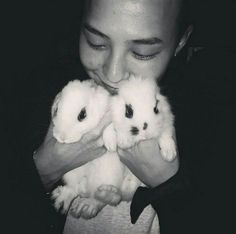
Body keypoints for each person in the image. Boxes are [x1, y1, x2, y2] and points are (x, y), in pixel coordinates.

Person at [7, 0, 235, 233]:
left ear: (180, 42)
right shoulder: (42, 89)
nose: (113, 74)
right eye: (96, 43)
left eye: (142, 53)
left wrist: (168, 185)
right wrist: (44, 169)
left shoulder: (211, 118)